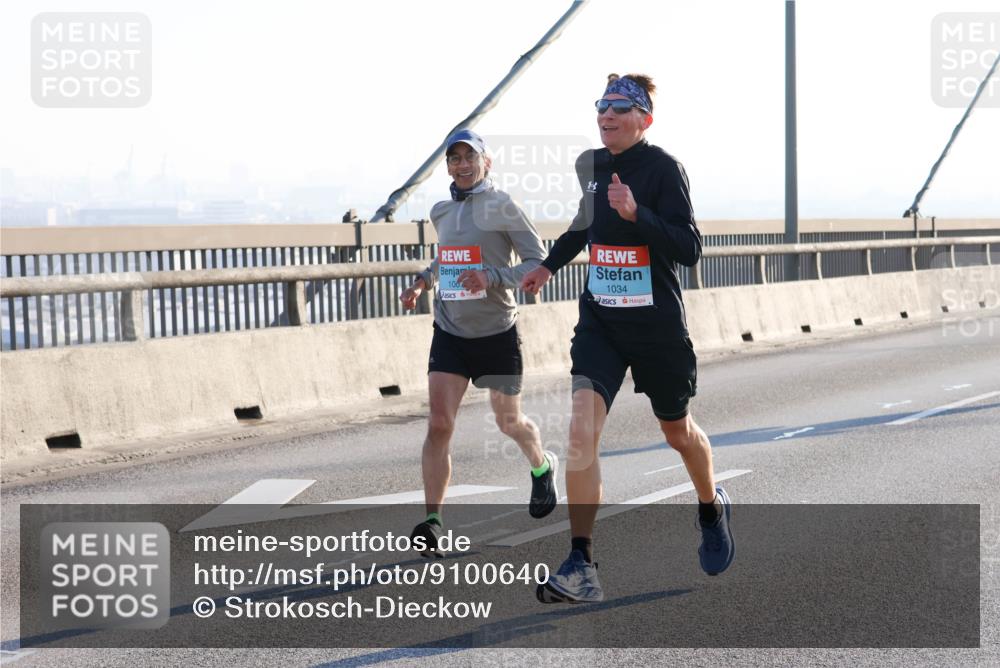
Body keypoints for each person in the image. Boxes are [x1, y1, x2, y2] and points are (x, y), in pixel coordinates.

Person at [521, 74, 734, 603]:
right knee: (580, 432)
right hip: (602, 325)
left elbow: (688, 248)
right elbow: (583, 225)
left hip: (657, 328)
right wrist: (548, 266)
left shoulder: (663, 169)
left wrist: (638, 215)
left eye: (619, 107)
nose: (606, 114)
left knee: (678, 433)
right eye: (601, 105)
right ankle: (581, 563)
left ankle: (710, 505)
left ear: (645, 119)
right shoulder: (590, 166)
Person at [400, 129, 559, 556]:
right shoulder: (441, 210)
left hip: (497, 332)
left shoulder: (503, 206)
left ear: (486, 162)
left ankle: (542, 467)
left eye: (469, 157)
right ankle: (433, 520)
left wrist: (492, 277)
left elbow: (537, 261)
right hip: (450, 331)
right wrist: (423, 280)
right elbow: (448, 255)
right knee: (439, 424)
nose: (461, 165)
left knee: (509, 422)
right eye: (453, 159)